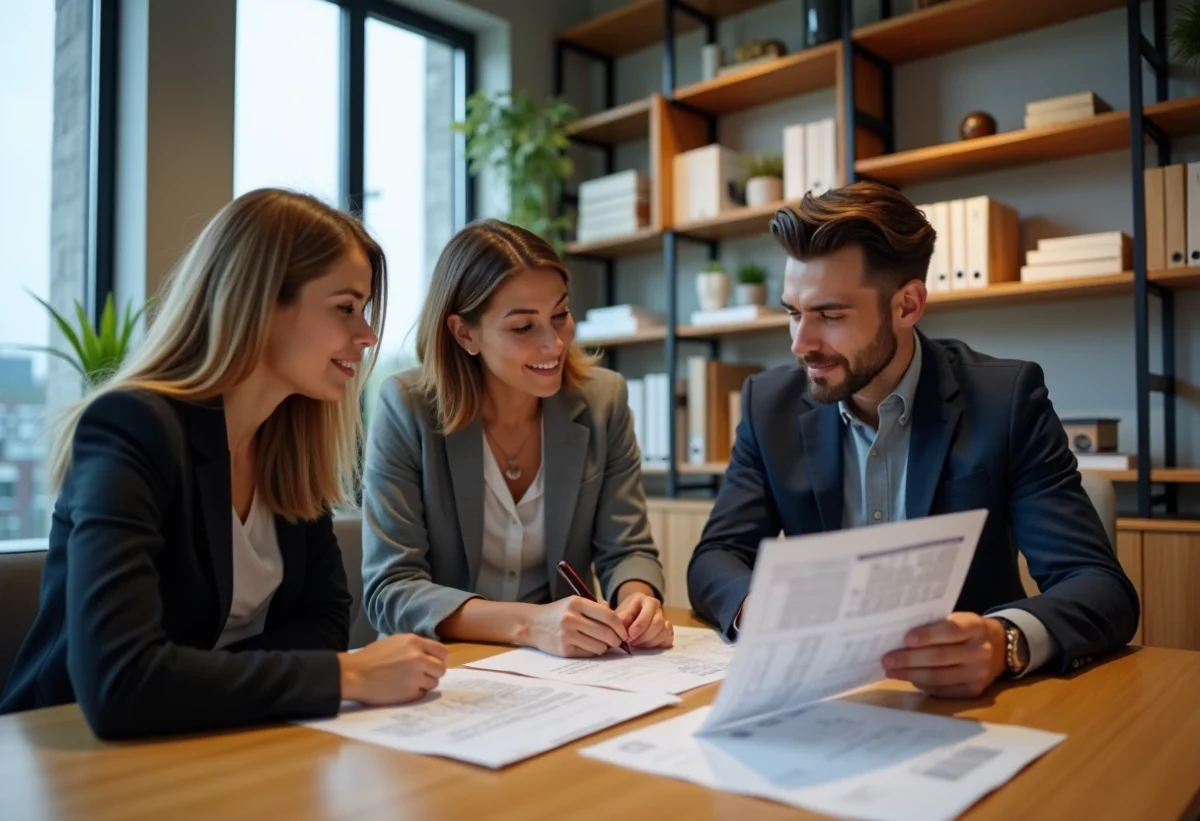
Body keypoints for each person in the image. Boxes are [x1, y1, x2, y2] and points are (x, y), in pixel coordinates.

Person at [0, 189, 448, 739]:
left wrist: (192, 676)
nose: (368, 335)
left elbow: (325, 622)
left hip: (217, 738)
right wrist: (347, 673)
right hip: (64, 756)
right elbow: (121, 681)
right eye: (346, 308)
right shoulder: (131, 427)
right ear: (260, 303)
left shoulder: (287, 446)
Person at [687, 181, 1139, 698]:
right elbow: (716, 556)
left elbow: (1100, 587)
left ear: (907, 305)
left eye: (830, 316)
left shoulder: (1004, 400)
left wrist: (1003, 640)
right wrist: (760, 612)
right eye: (794, 312)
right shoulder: (770, 406)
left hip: (974, 703)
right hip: (827, 699)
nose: (801, 344)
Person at [362, 219, 672, 658]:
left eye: (560, 316)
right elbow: (391, 588)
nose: (554, 344)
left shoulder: (605, 402)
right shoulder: (406, 408)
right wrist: (530, 624)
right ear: (464, 333)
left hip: (561, 664)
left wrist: (637, 598)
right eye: (524, 327)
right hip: (438, 664)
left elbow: (628, 548)